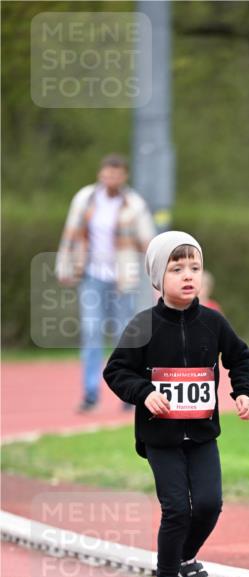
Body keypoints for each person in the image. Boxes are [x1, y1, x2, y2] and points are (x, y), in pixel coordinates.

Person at [103, 231, 249, 577]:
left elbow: (241, 358)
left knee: (208, 505)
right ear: (159, 277)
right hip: (162, 437)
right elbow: (116, 371)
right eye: (177, 269)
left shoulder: (213, 323)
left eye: (195, 267)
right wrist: (143, 392)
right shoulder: (143, 325)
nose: (188, 275)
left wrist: (244, 392)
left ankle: (186, 558)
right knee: (177, 509)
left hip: (203, 435)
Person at [56, 153, 156, 413]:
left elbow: (148, 240)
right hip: (91, 276)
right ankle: (90, 395)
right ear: (101, 174)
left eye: (116, 174)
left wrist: (159, 269)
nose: (110, 178)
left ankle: (128, 393)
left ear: (124, 176)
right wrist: (63, 265)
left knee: (125, 336)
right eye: (107, 173)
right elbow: (70, 233)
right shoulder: (85, 198)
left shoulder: (134, 204)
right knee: (91, 332)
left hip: (123, 279)